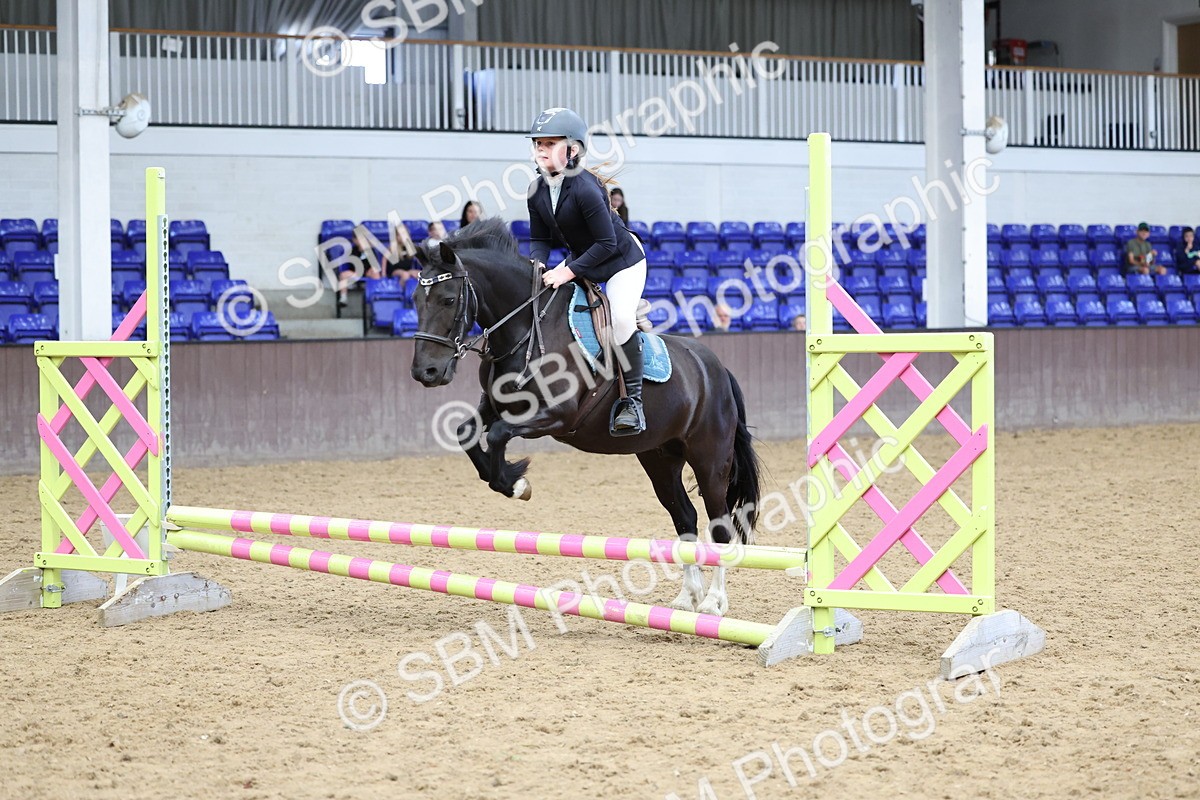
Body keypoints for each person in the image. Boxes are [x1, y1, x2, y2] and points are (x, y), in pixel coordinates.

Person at [526, 107, 648, 436]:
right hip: (584, 259)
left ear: (573, 149)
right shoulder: (536, 190)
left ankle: (631, 401)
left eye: (549, 143)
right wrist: (537, 264)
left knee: (621, 318)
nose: (540, 148)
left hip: (620, 262)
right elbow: (539, 238)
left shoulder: (585, 189)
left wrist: (565, 272)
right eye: (538, 142)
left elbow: (606, 244)